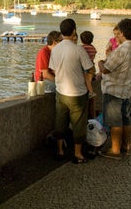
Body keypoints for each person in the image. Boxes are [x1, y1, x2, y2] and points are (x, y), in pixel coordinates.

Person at [49, 18, 94, 163]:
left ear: (61, 32)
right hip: (77, 92)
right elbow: (90, 68)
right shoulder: (78, 49)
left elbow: (54, 69)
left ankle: (60, 151)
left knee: (60, 121)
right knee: (78, 123)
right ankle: (77, 154)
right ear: (74, 31)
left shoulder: (55, 49)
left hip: (61, 91)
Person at [97, 18, 131, 159]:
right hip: (126, 89)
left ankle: (115, 150)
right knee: (126, 119)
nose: (117, 36)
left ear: (122, 33)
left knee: (115, 121)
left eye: (118, 33)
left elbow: (106, 69)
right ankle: (126, 146)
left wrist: (99, 63)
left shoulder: (121, 50)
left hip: (114, 90)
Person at [80, 30, 98, 119]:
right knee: (89, 79)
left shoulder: (81, 48)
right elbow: (93, 56)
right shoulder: (93, 48)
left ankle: (91, 92)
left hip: (85, 67)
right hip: (92, 66)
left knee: (87, 81)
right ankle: (90, 91)